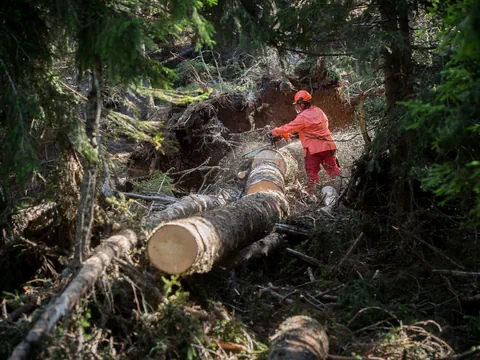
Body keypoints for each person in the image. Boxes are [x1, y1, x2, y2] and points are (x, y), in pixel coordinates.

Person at [270, 90, 342, 193]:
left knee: (312, 173)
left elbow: (289, 127)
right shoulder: (319, 111)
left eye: (299, 105)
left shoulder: (303, 116)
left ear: (302, 104)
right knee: (333, 170)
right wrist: (299, 133)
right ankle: (343, 188)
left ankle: (313, 194)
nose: (298, 107)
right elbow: (321, 127)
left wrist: (274, 132)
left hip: (313, 149)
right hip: (328, 146)